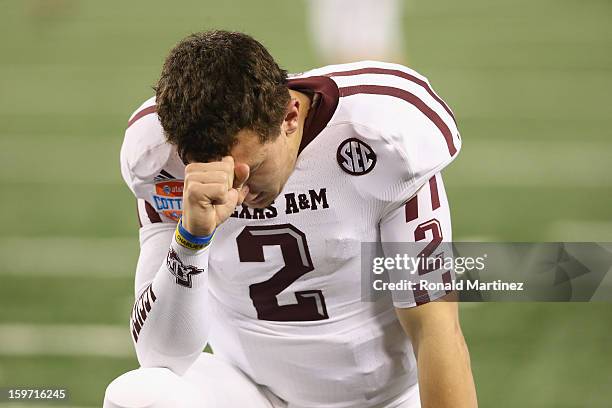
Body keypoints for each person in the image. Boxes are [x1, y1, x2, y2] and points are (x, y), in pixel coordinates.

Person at [104, 30, 477, 408]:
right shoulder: (156, 157)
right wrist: (192, 237)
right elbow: (161, 355)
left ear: (290, 117)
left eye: (254, 168)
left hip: (385, 399)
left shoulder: (382, 135)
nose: (239, 195)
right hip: (253, 391)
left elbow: (435, 328)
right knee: (138, 397)